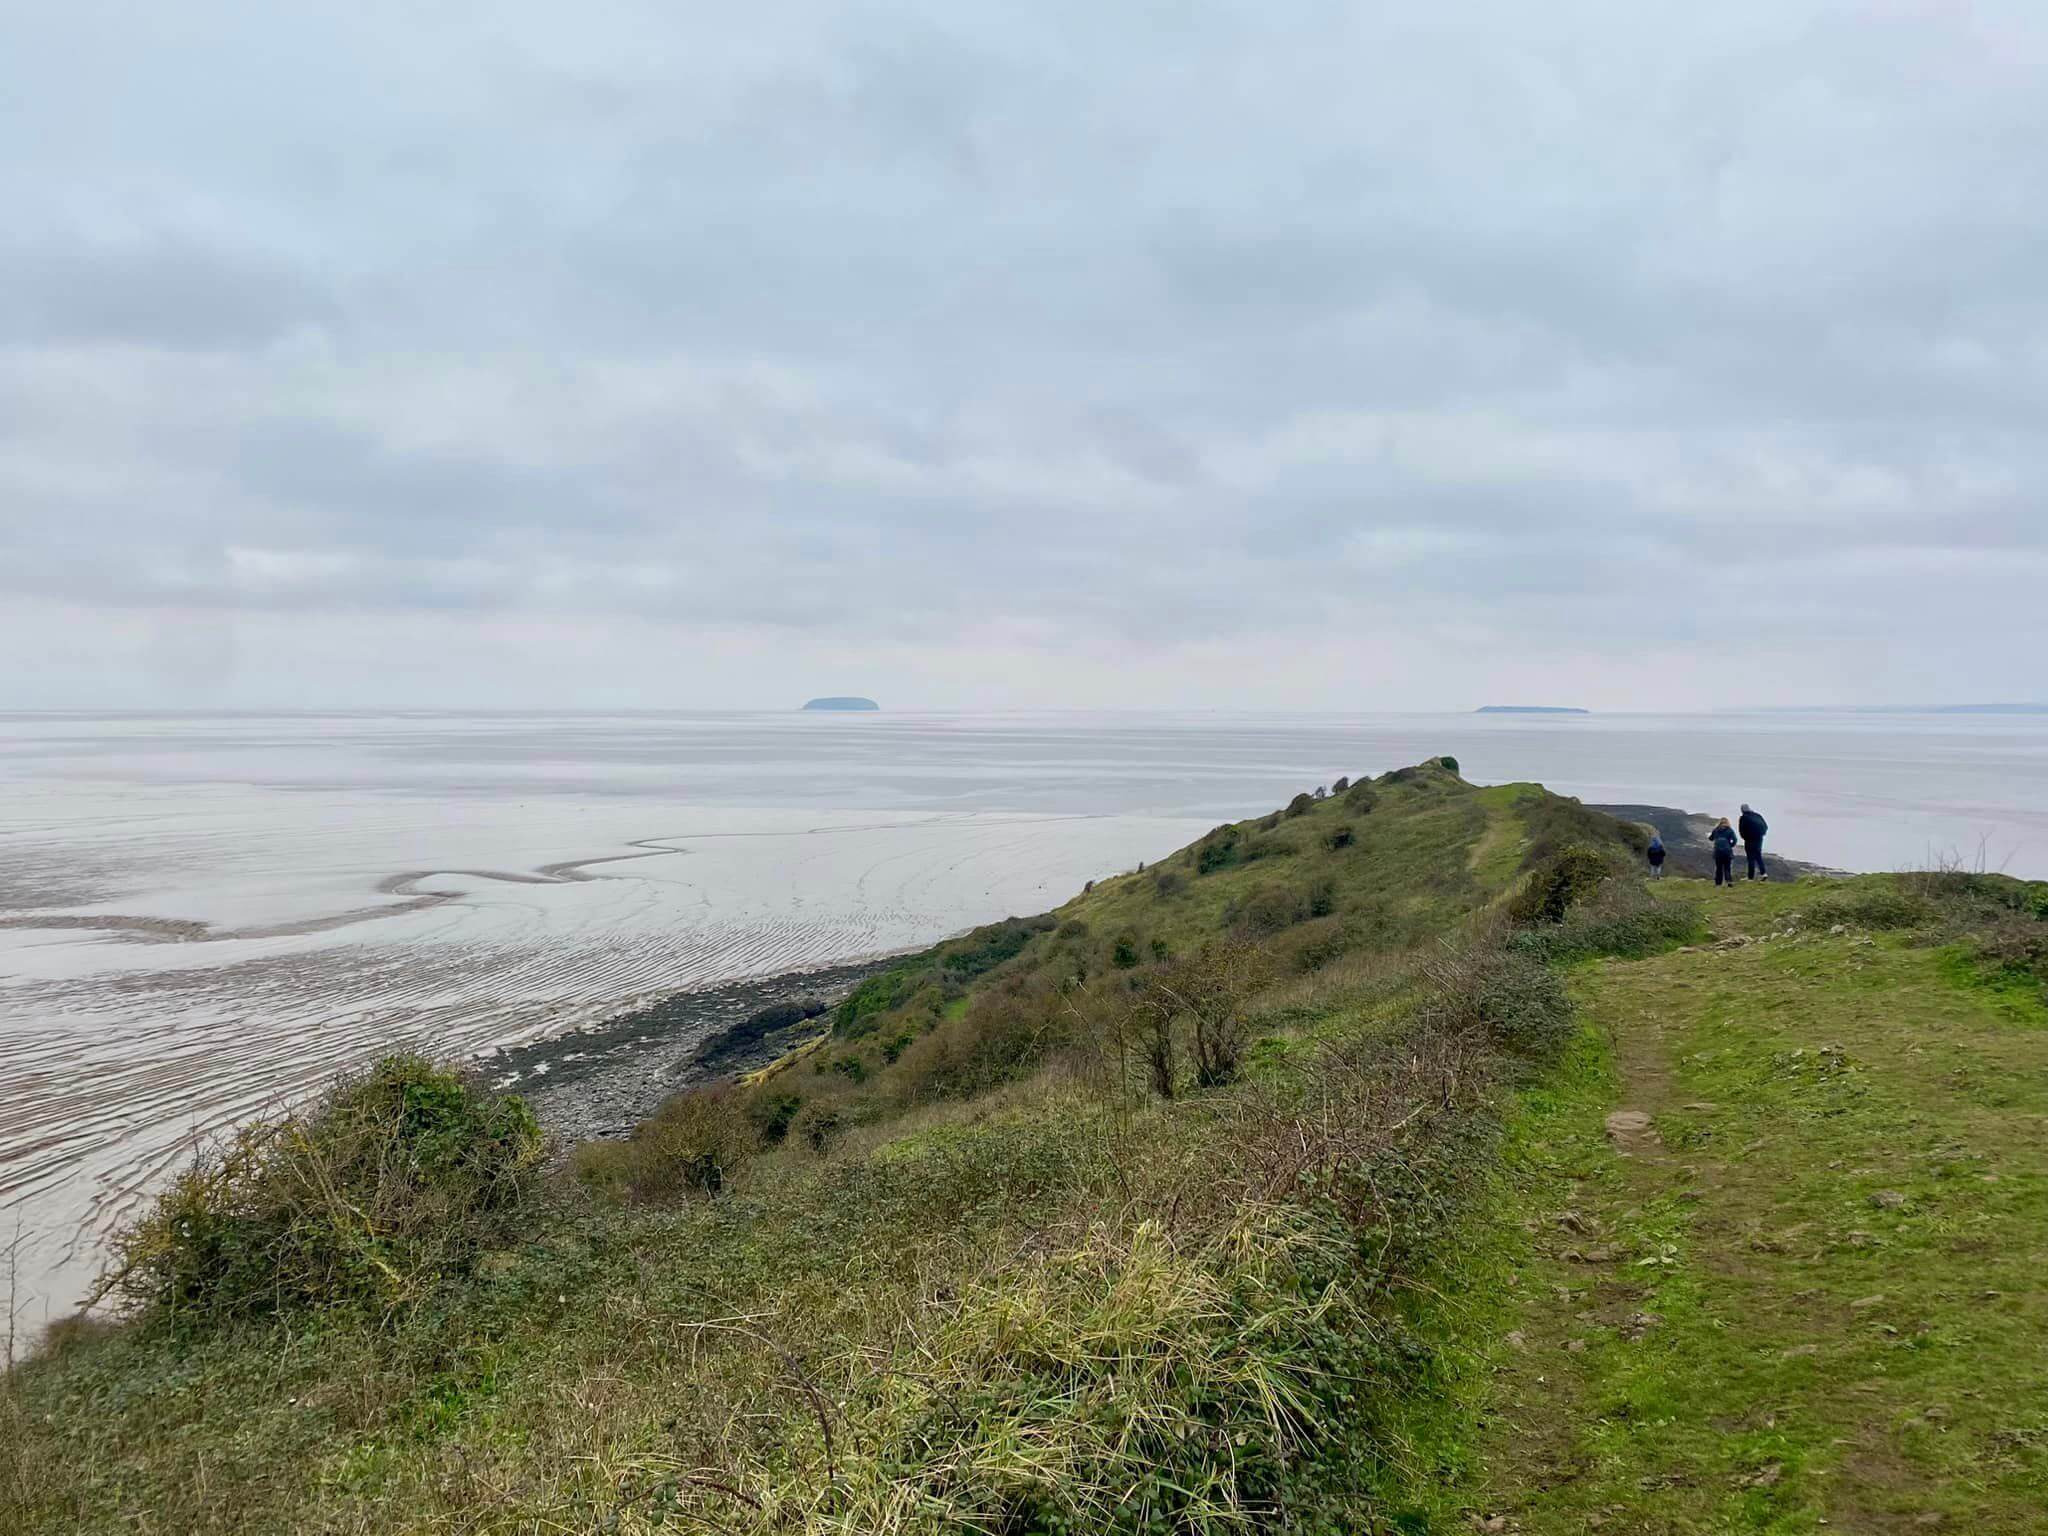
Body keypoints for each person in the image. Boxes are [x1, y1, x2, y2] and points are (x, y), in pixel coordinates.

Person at [1738, 802, 1769, 881]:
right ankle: (1763, 873)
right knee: (1758, 856)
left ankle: (1750, 878)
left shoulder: (1743, 818)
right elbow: (1765, 826)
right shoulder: (1757, 815)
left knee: (1750, 858)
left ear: (1742, 810)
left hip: (1750, 840)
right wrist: (1762, 835)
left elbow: (1742, 830)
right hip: (1759, 839)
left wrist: (1745, 838)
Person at [1709, 817, 1738, 887]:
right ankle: (1729, 881)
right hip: (1727, 852)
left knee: (1719, 868)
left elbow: (1711, 838)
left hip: (1718, 852)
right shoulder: (1730, 830)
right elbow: (1735, 840)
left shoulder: (1716, 830)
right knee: (1727, 867)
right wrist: (1730, 845)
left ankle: (1718, 884)